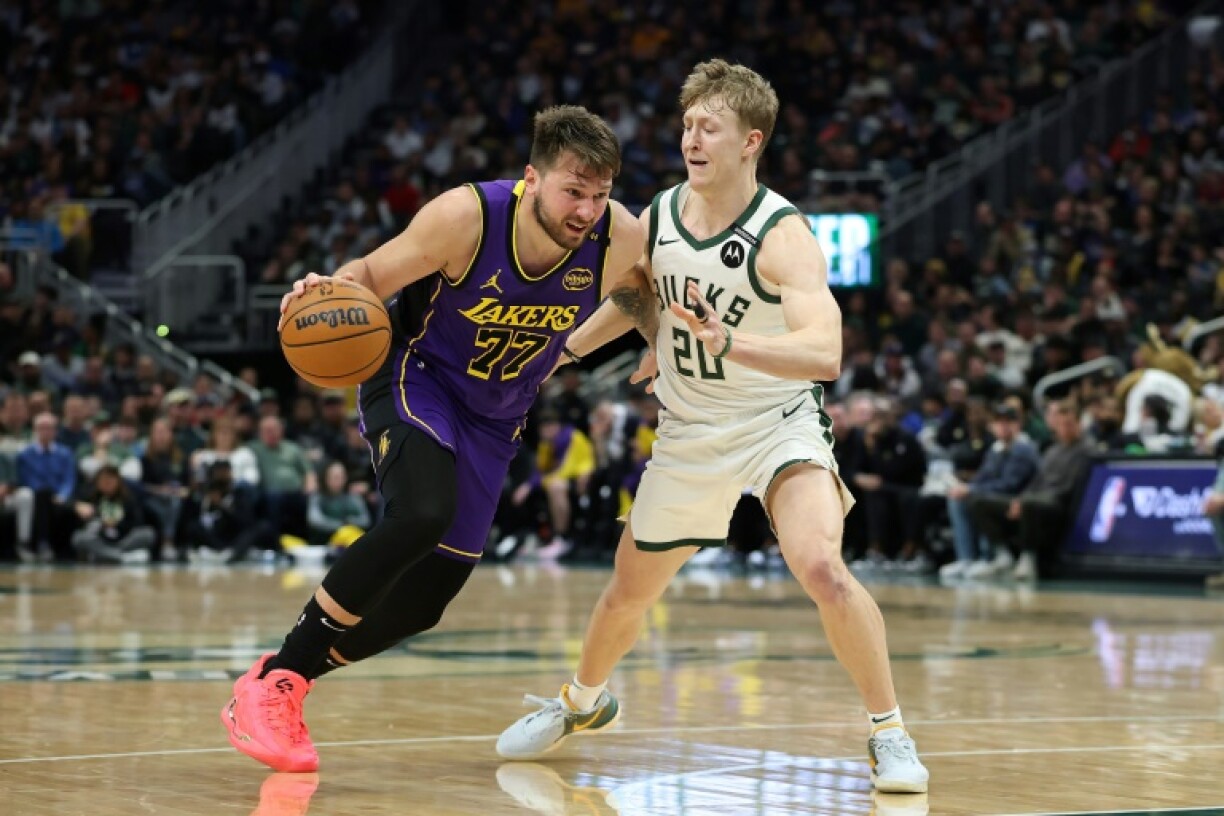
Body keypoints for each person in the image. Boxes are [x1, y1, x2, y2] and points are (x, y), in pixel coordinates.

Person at [496, 60, 929, 794]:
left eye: (710, 127)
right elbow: (637, 296)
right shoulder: (659, 216)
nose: (692, 139)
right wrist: (563, 353)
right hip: (689, 430)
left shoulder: (783, 235)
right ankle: (581, 701)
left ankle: (889, 732)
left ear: (751, 141)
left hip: (776, 423)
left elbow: (824, 353)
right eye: (688, 124)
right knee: (627, 593)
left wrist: (730, 343)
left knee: (822, 566)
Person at [221, 106, 653, 773]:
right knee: (422, 512)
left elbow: (640, 293)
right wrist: (324, 288)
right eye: (574, 191)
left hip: (498, 412)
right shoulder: (465, 218)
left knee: (423, 603)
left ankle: (285, 670)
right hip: (417, 377)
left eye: (600, 194)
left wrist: (636, 343)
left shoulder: (617, 235)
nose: (587, 210)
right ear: (533, 178)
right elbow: (369, 275)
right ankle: (278, 687)